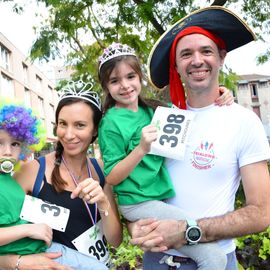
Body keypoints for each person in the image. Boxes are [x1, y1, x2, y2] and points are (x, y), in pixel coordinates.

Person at [129, 6, 270, 270]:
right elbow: (136, 188)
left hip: (215, 260)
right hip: (157, 261)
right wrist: (134, 224)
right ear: (177, 66)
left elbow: (261, 213)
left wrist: (187, 231)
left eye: (206, 51)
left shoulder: (244, 121)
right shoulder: (158, 120)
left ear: (221, 57)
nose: (196, 60)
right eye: (186, 54)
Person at [98, 42, 234, 269]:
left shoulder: (152, 110)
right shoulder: (110, 122)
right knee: (214, 257)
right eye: (114, 81)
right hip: (139, 202)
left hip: (157, 198)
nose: (125, 86)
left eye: (130, 76)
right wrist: (140, 149)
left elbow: (192, 113)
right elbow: (111, 176)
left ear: (139, 77)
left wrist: (221, 94)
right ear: (106, 86)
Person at [0, 80, 122, 270]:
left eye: (80, 125)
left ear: (95, 130)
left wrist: (103, 202)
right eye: (63, 124)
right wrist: (17, 263)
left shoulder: (101, 169)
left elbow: (115, 241)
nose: (69, 134)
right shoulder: (32, 171)